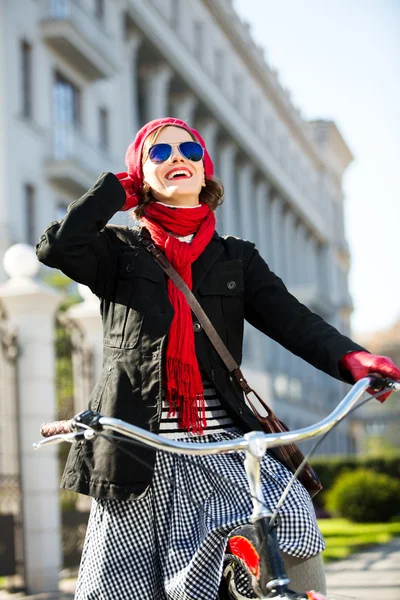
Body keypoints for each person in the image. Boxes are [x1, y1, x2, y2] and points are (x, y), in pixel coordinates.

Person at [36, 117, 400, 600]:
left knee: (292, 523)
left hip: (222, 444)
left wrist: (353, 359)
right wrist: (117, 192)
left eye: (189, 150)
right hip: (137, 451)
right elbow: (58, 247)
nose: (177, 158)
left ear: (206, 171)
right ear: (140, 175)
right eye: (159, 154)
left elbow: (293, 320)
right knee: (122, 587)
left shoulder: (236, 257)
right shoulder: (117, 251)